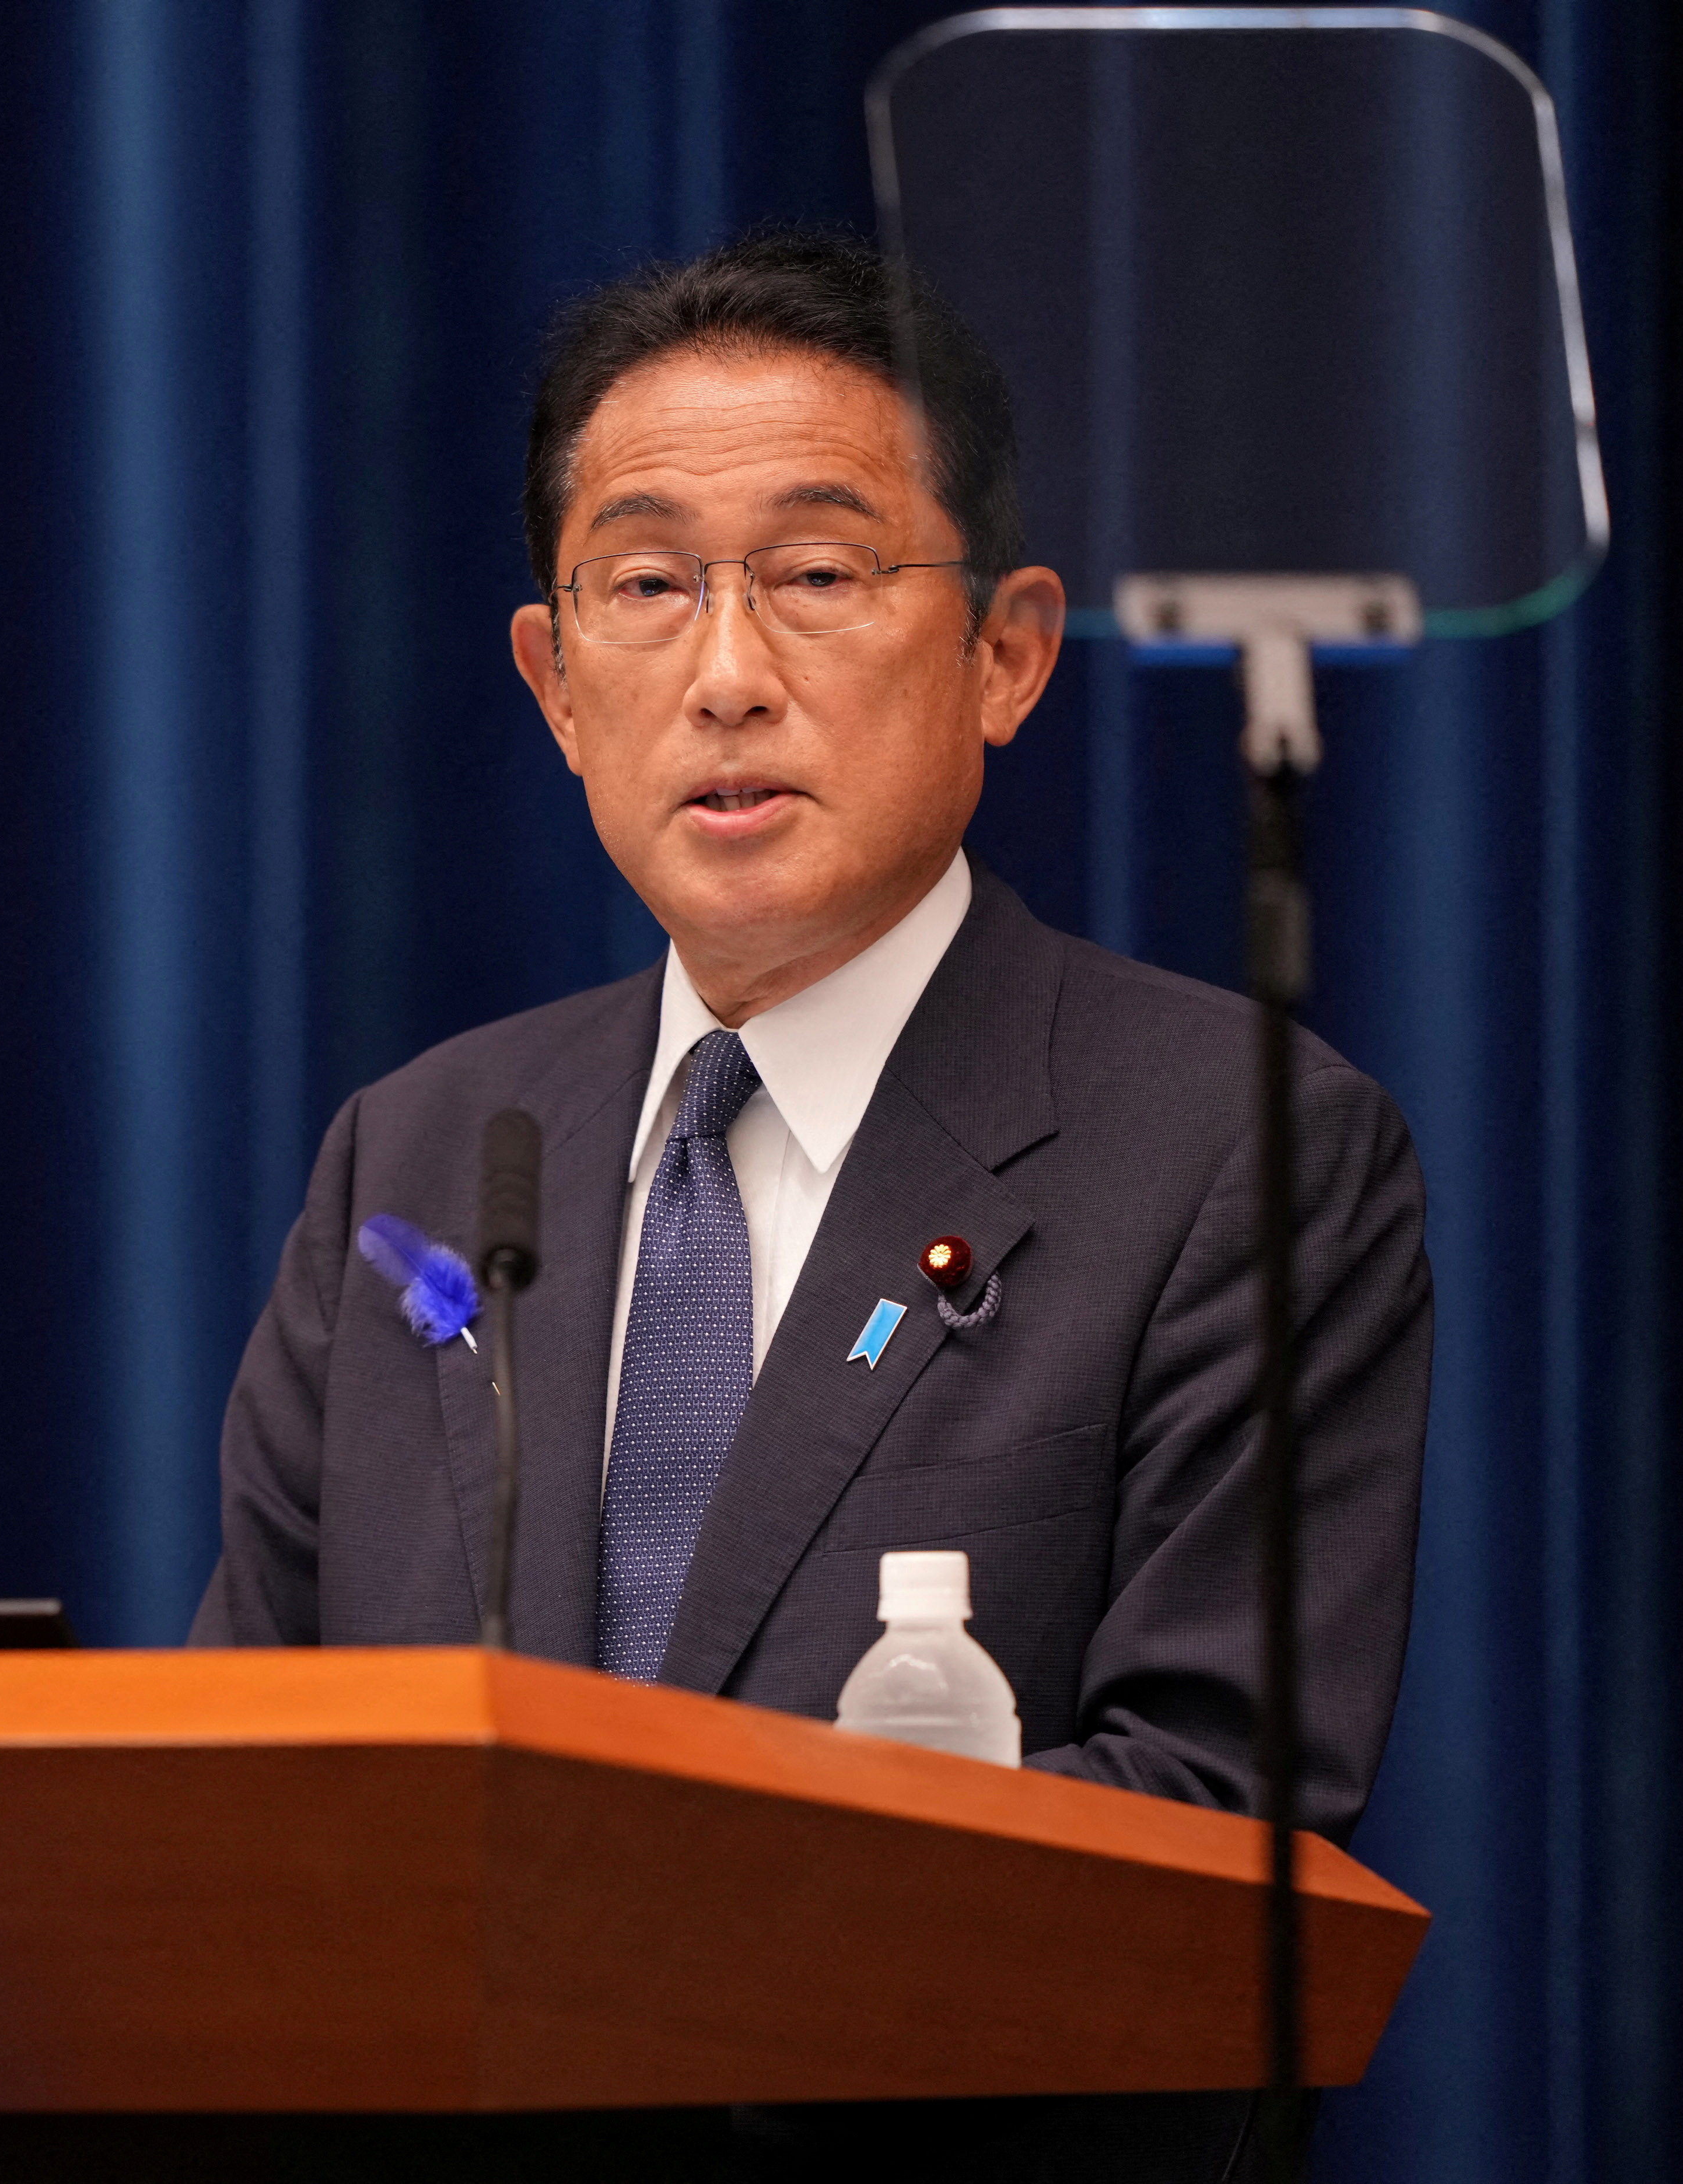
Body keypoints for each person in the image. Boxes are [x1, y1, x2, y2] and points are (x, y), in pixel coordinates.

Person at [191, 228, 1428, 2066]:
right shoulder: (427, 1157)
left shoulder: (1229, 1151)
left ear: (1008, 654)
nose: (727, 675)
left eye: (819, 573)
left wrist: (605, 1995)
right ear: (552, 683)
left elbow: (1204, 1812)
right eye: (646, 588)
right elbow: (252, 1782)